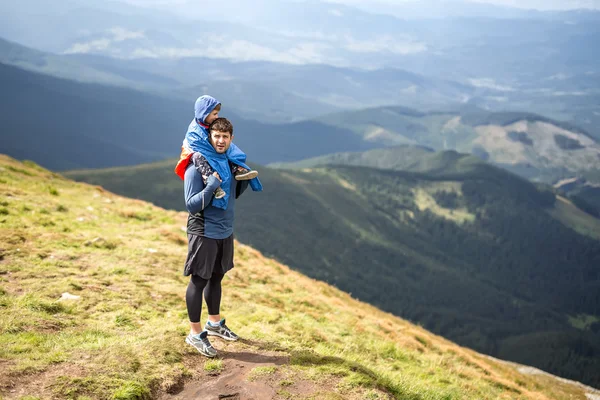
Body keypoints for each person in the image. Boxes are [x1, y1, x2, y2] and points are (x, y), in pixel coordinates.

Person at [182, 117, 257, 358]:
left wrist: (242, 180)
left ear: (231, 139)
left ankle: (213, 324)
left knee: (216, 277)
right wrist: (211, 184)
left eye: (225, 137)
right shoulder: (196, 168)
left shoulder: (228, 163)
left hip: (224, 230)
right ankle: (194, 334)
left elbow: (233, 194)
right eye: (216, 136)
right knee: (199, 280)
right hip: (204, 230)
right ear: (210, 137)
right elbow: (192, 205)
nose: (221, 140)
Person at [174, 95, 260, 200]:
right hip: (192, 152)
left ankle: (237, 169)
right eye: (214, 114)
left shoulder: (207, 123)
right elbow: (198, 144)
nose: (216, 117)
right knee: (198, 157)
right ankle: (212, 183)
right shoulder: (194, 129)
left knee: (228, 149)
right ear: (204, 113)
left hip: (207, 149)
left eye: (217, 114)